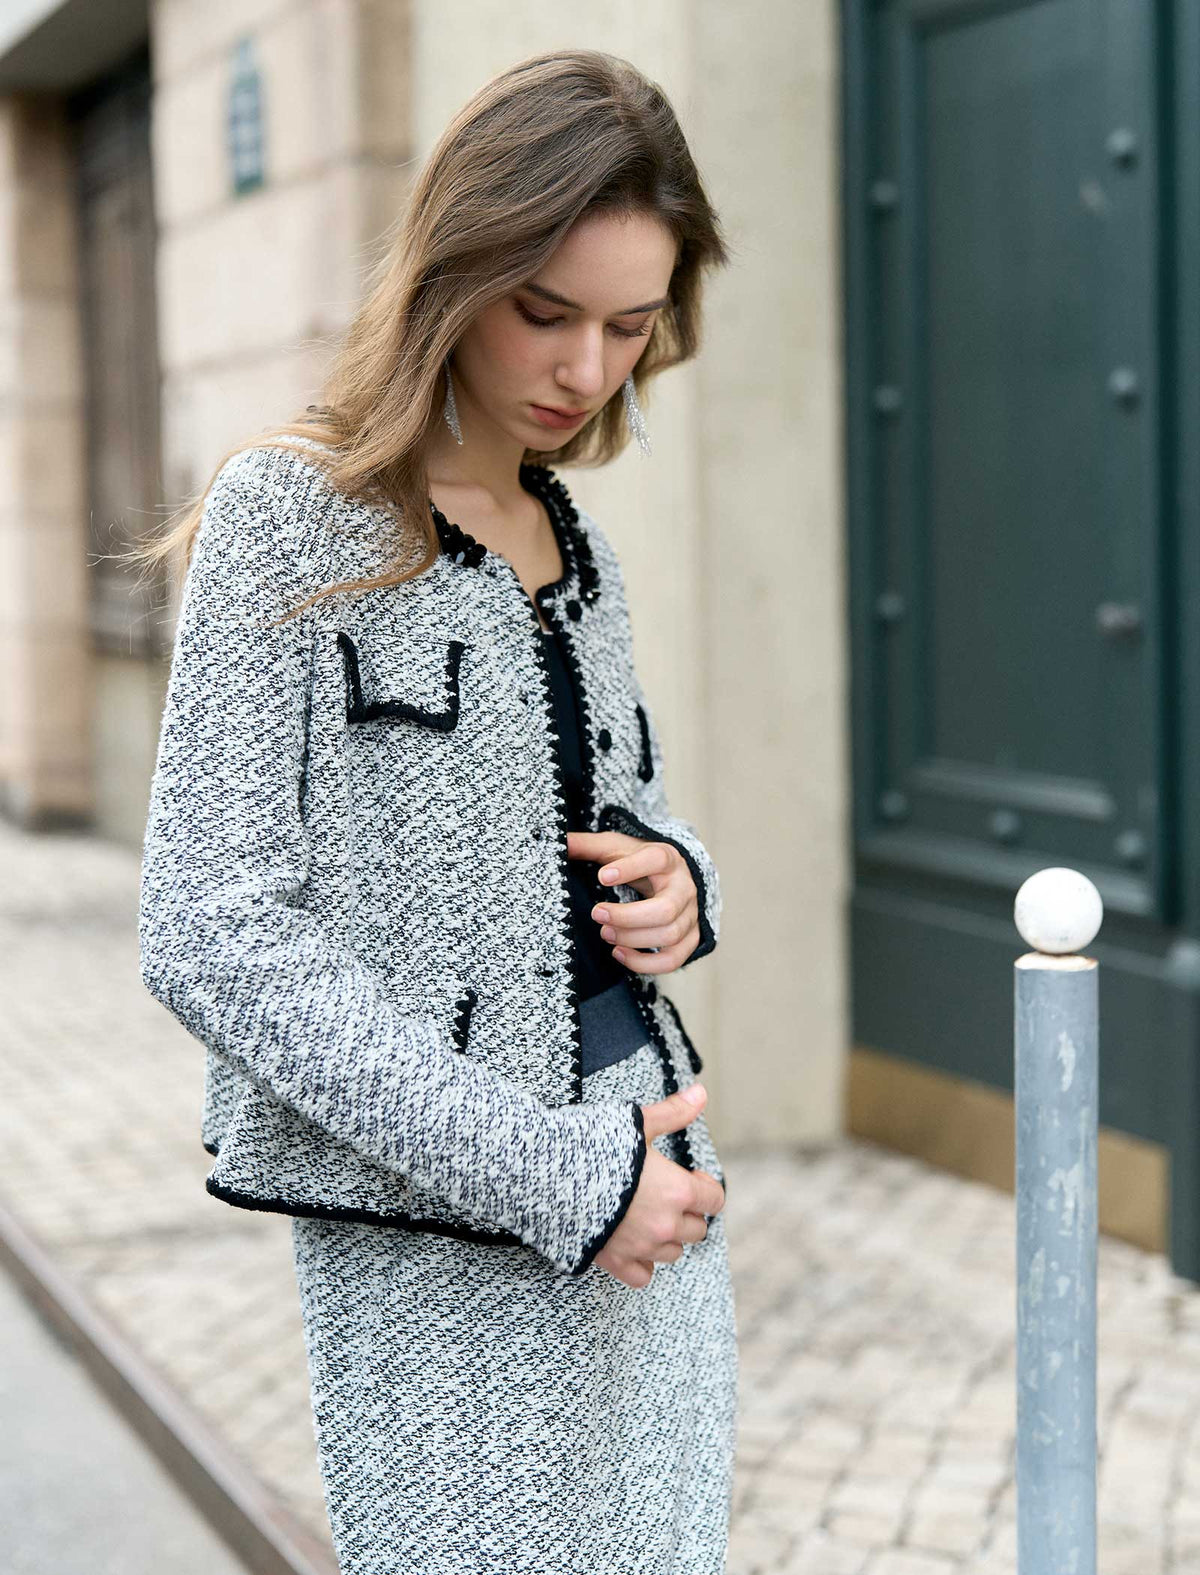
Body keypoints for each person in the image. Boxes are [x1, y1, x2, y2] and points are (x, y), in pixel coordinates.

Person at [134, 46, 737, 1575]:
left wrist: (677, 877)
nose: (586, 370)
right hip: (442, 1223)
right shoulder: (293, 517)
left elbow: (622, 805)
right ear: (456, 268)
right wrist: (560, 1180)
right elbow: (208, 929)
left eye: (630, 326)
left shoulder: (566, 533)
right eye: (546, 312)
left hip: (653, 1178)